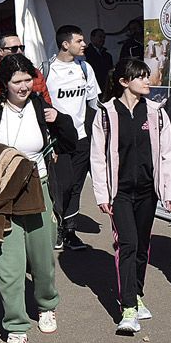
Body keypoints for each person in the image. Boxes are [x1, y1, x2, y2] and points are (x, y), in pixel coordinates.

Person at [0, 54, 74, 343]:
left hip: (39, 188)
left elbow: (70, 143)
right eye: (17, 81)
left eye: (28, 79)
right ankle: (16, 327)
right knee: (8, 263)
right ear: (4, 84)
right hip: (3, 197)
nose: (24, 86)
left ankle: (46, 305)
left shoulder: (41, 107)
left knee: (42, 258)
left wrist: (61, 120)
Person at [90, 59, 171, 334]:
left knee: (143, 244)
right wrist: (102, 194)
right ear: (123, 82)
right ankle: (128, 307)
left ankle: (137, 293)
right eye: (141, 77)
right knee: (127, 243)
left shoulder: (156, 113)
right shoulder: (106, 114)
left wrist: (170, 191)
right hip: (119, 192)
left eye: (147, 76)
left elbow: (168, 154)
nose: (147, 81)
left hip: (147, 191)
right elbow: (98, 158)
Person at [44, 25, 100, 250]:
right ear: (65, 44)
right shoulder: (47, 69)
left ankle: (69, 231)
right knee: (61, 186)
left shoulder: (85, 68)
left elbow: (94, 102)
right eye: (79, 40)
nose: (83, 44)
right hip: (57, 140)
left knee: (76, 186)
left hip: (82, 138)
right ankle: (55, 226)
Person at [0, 33, 50, 132]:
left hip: (34, 133)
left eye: (21, 47)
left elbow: (47, 108)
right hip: (0, 139)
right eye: (14, 48)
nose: (19, 51)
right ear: (0, 51)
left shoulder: (35, 73)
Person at [85, 28, 115, 96]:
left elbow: (110, 73)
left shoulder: (107, 56)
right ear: (92, 38)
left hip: (105, 88)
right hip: (91, 88)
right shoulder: (84, 53)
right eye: (100, 37)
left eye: (104, 37)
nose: (102, 39)